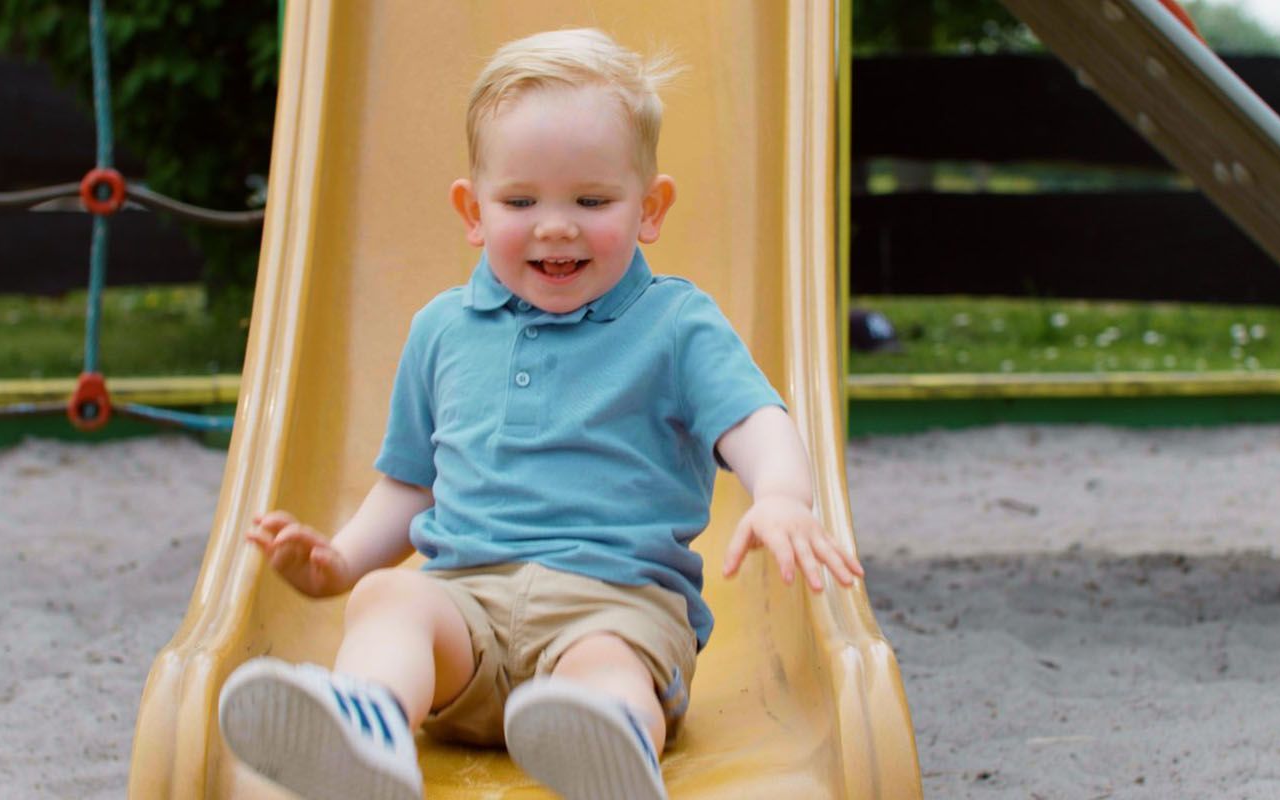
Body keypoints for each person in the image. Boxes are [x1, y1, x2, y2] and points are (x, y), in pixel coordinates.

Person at [216, 27, 863, 800]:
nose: (556, 224)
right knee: (390, 601)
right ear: (473, 210)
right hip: (466, 606)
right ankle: (371, 727)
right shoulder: (442, 330)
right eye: (520, 201)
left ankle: (607, 744)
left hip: (613, 598)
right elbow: (411, 484)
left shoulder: (677, 324)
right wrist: (342, 563)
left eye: (592, 200)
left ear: (651, 208)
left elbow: (755, 420)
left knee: (609, 660)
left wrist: (783, 495)